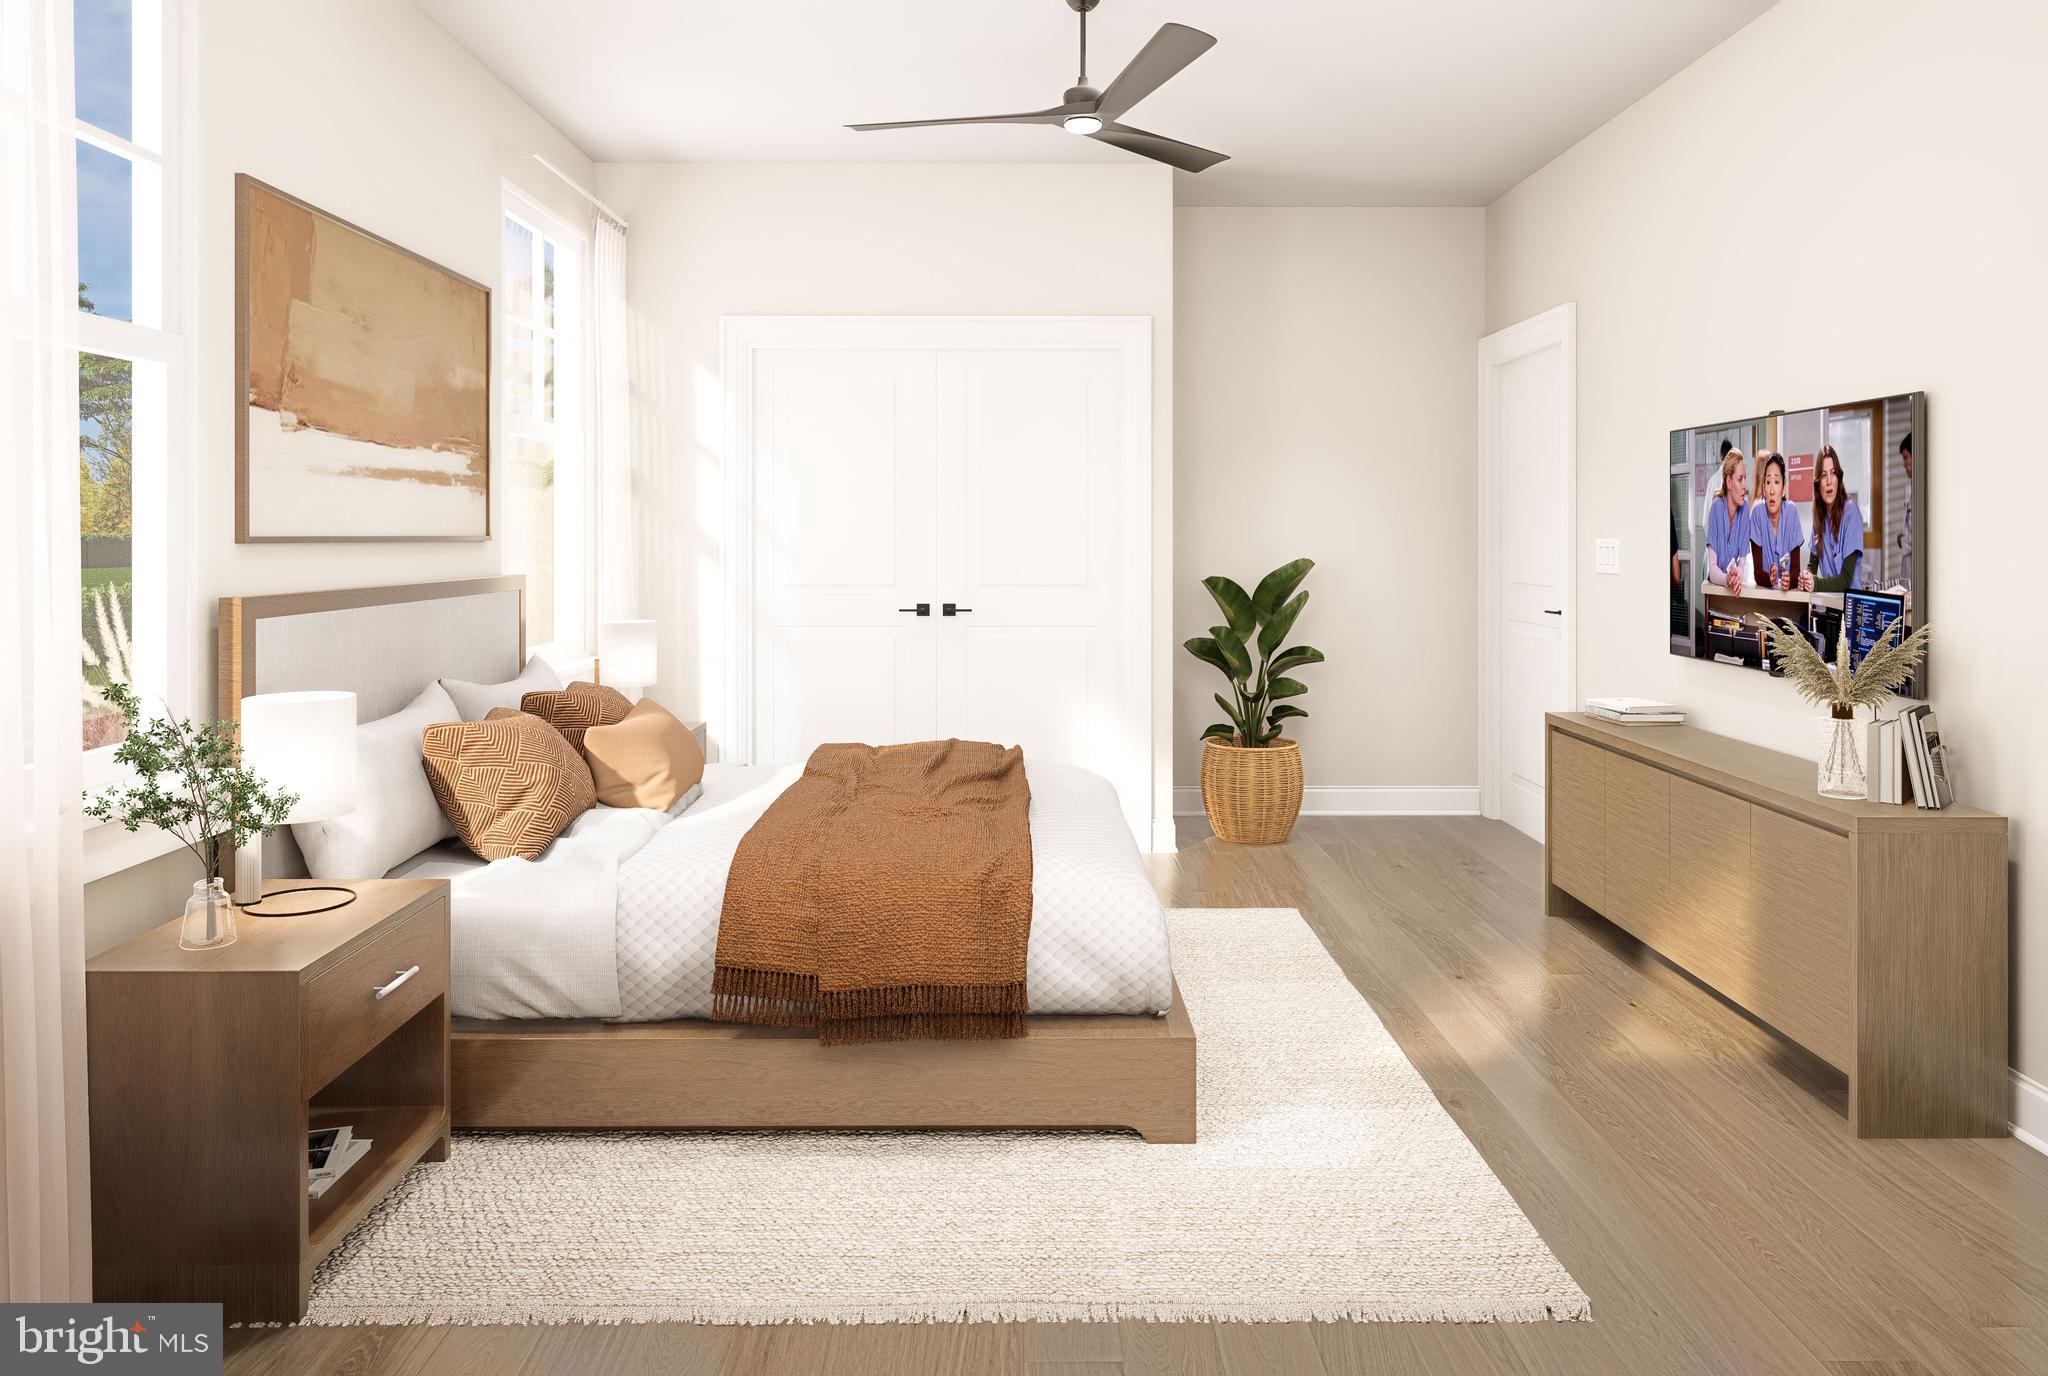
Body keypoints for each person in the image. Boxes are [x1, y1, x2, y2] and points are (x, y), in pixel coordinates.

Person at [1801, 443, 1865, 592]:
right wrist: (1806, 578)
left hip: (1850, 607)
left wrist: (1816, 584)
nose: (1829, 481)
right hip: (1827, 607)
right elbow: (1812, 565)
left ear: (1839, 477)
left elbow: (1846, 579)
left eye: (1833, 473)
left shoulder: (1851, 513)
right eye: (1824, 475)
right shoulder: (1819, 516)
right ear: (1818, 483)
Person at [1748, 451, 1804, 591]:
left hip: (1790, 599)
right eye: (1768, 482)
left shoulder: (1791, 512)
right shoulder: (1757, 513)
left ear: (1783, 490)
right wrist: (1769, 579)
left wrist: (1789, 581)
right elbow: (1757, 572)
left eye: (1777, 482)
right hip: (1765, 597)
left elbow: (1796, 570)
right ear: (1764, 489)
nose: (1772, 490)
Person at [1705, 448, 1750, 592]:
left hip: (1732, 584)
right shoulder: (1717, 508)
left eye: (1745, 478)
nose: (1744, 485)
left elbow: (1742, 563)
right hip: (1715, 585)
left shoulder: (1745, 509)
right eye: (1739, 479)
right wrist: (1727, 580)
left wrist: (1737, 575)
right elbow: (1712, 568)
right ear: (1729, 482)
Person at [1896, 431, 1913, 588]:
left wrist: (1903, 540)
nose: (1904, 464)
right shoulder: (1910, 489)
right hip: (1907, 566)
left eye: (1906, 457)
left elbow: (1916, 540)